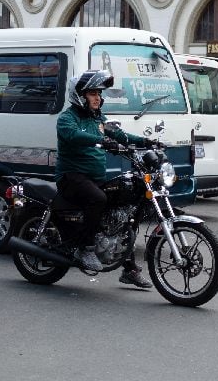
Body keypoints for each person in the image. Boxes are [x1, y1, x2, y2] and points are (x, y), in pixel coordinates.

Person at [55, 70, 154, 289]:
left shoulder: (98, 118)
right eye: (92, 93)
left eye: (99, 93)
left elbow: (119, 134)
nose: (98, 97)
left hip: (95, 178)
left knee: (126, 208)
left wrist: (146, 141)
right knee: (98, 199)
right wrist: (101, 140)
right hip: (71, 177)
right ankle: (86, 248)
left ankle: (129, 268)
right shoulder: (67, 118)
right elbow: (73, 135)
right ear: (80, 95)